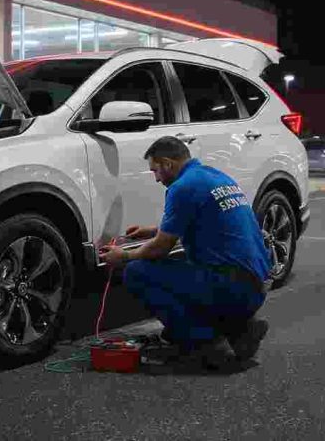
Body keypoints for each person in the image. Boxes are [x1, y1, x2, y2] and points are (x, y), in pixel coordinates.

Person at [99, 136, 272, 368]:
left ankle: (200, 342)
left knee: (137, 271)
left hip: (232, 287)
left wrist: (123, 256)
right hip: (255, 284)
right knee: (190, 274)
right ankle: (239, 328)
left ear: (167, 163)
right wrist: (152, 231)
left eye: (155, 171)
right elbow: (202, 220)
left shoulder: (182, 187)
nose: (156, 178)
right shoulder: (215, 176)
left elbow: (161, 249)